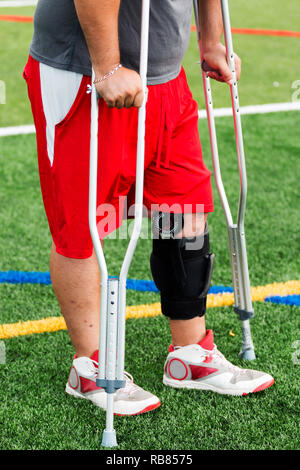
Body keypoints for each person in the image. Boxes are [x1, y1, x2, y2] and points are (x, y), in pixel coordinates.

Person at [23, 0, 274, 416]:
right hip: (84, 71)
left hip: (163, 74)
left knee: (184, 204)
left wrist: (210, 40)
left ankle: (189, 353)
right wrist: (106, 66)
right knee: (85, 223)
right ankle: (90, 366)